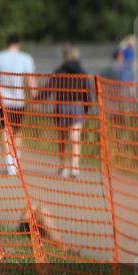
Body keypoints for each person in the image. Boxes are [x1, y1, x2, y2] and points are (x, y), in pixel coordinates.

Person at [0, 34, 36, 177]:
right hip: (19, 101)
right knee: (17, 131)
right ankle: (16, 160)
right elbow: (31, 80)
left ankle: (9, 163)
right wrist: (35, 97)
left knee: (4, 130)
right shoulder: (26, 58)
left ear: (7, 43)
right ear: (19, 43)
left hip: (2, 100)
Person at [40, 46, 92, 179]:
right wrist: (87, 107)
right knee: (76, 139)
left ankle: (64, 167)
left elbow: (49, 88)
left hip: (61, 106)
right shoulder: (82, 73)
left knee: (62, 138)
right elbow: (87, 93)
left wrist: (38, 98)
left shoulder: (59, 72)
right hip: (77, 106)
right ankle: (75, 168)